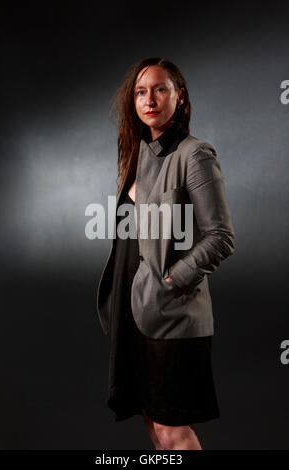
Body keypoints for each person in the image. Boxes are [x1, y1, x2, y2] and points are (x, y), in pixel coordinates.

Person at [96, 57, 235, 450]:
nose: (149, 99)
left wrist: (171, 280)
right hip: (133, 311)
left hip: (171, 314)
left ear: (180, 97)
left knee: (174, 432)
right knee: (154, 427)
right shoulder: (138, 155)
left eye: (160, 89)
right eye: (141, 91)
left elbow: (221, 236)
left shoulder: (195, 154)